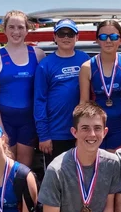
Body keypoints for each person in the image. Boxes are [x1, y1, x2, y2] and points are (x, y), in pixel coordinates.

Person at [0, 10, 44, 167]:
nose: (16, 32)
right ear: (4, 29)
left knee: (24, 168)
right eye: (11, 27)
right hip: (5, 120)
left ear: (27, 30)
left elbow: (43, 92)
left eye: (20, 27)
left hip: (29, 120)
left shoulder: (38, 55)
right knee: (6, 166)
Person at [34, 19, 91, 165]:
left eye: (70, 34)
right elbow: (39, 101)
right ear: (55, 37)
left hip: (81, 131)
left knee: (81, 172)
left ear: (77, 37)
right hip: (55, 134)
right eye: (61, 33)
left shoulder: (85, 59)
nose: (66, 37)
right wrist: (43, 135)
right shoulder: (45, 65)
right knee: (56, 174)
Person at [79, 20, 121, 150]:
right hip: (94, 128)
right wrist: (81, 133)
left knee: (116, 162)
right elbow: (83, 103)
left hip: (120, 127)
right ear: (97, 40)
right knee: (96, 162)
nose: (108, 40)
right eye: (103, 37)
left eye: (113, 37)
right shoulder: (87, 67)